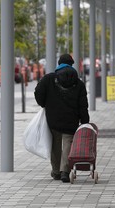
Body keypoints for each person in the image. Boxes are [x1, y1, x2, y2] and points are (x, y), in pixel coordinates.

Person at [34, 54, 90, 183]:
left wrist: (44, 104)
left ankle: (56, 171)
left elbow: (38, 93)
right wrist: (85, 120)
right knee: (68, 143)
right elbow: (83, 104)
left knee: (55, 145)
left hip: (53, 118)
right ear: (72, 64)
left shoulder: (49, 79)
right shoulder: (78, 82)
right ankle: (65, 171)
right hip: (71, 119)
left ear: (59, 63)